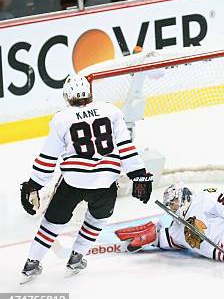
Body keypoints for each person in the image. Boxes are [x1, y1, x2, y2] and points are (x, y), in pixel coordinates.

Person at [19, 74, 153, 283]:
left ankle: (32, 263)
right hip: (106, 181)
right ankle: (77, 257)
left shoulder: (61, 119)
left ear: (67, 96)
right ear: (89, 93)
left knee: (53, 222)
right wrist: (139, 175)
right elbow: (126, 147)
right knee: (97, 220)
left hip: (73, 182)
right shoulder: (111, 111)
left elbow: (48, 157)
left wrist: (34, 184)